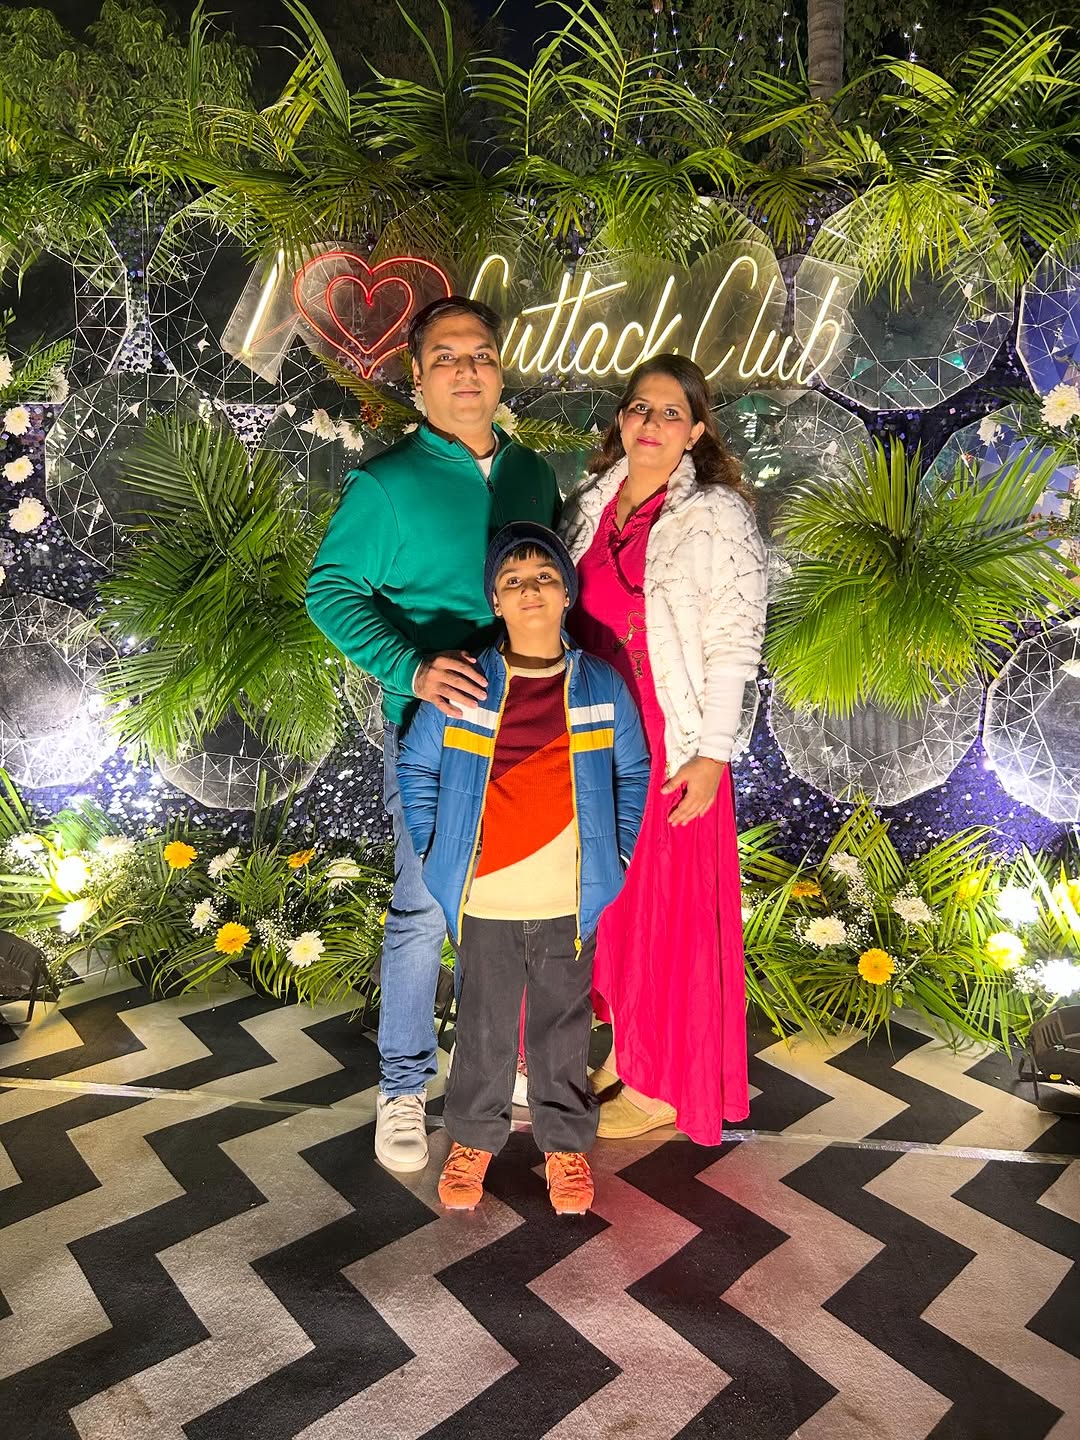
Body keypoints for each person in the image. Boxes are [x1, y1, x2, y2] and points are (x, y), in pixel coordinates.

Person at [306, 297, 561, 1173]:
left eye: (480, 354)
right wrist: (413, 670)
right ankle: (404, 1088)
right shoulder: (387, 484)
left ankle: (502, 1063)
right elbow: (330, 590)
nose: (465, 371)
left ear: (500, 369)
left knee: (517, 901)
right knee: (423, 906)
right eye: (445, 357)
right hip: (433, 729)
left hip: (526, 726)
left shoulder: (532, 475)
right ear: (417, 378)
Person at [397, 523, 650, 1213]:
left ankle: (564, 1145)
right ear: (496, 601)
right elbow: (417, 765)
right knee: (483, 1026)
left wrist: (618, 855)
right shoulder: (468, 683)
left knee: (562, 1027)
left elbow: (633, 770)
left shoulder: (599, 684)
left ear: (566, 592)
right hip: (485, 896)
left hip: (568, 896)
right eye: (512, 580)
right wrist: (435, 849)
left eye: (543, 577)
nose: (529, 589)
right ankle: (472, 1139)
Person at [560, 354, 767, 1146]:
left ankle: (661, 1085)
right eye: (640, 408)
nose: (652, 424)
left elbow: (735, 643)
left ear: (697, 431)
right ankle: (628, 1053)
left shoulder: (717, 516)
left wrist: (712, 754)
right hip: (593, 733)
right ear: (621, 420)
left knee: (665, 910)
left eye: (671, 412)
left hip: (670, 734)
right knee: (615, 904)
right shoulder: (589, 506)